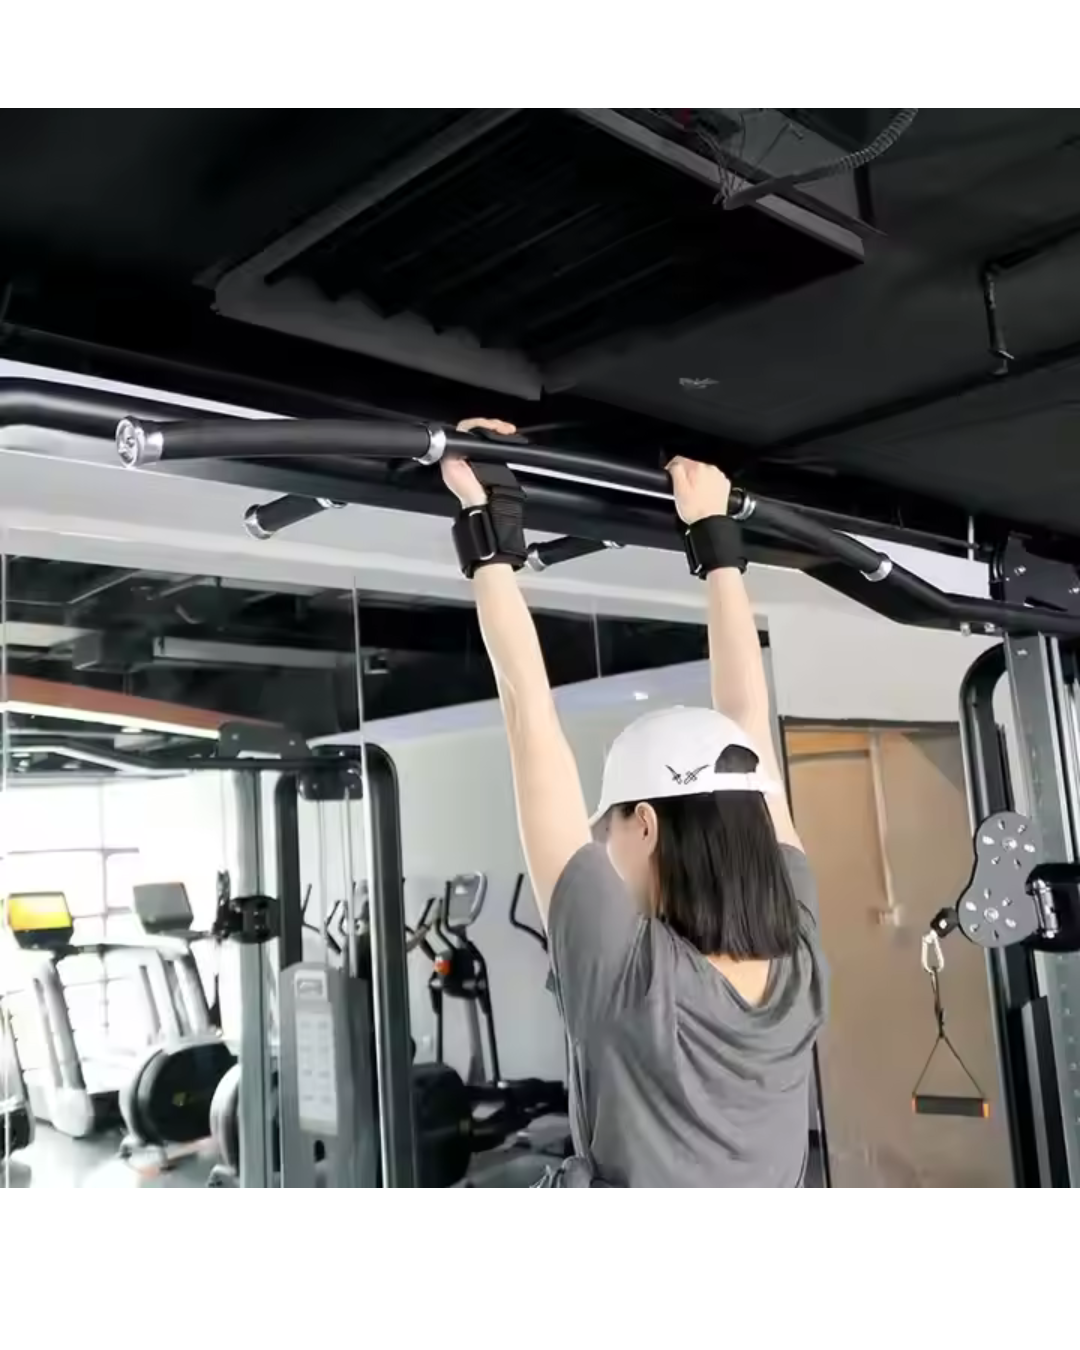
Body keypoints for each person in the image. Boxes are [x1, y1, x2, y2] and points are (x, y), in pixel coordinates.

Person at [442, 418, 827, 1187]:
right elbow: (745, 732)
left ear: (646, 822)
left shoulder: (633, 972)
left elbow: (534, 720)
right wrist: (485, 527)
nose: (602, 849)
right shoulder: (795, 955)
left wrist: (715, 543)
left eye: (605, 828)